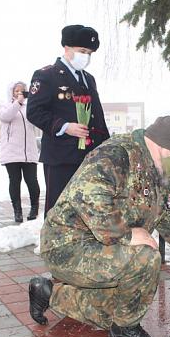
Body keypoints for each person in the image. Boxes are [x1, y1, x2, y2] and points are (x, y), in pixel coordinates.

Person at [28, 116, 170, 337]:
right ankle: (125, 332)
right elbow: (89, 198)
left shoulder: (160, 174)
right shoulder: (115, 154)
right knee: (146, 257)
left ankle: (47, 293)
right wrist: (127, 234)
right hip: (68, 246)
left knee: (114, 311)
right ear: (164, 147)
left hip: (106, 251)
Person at [27, 24, 110, 217]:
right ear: (67, 48)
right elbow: (34, 111)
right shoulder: (47, 75)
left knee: (86, 207)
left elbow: (97, 116)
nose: (86, 57)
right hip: (60, 156)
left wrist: (105, 147)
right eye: (82, 51)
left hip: (88, 156)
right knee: (59, 207)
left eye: (89, 53)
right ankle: (52, 246)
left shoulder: (89, 79)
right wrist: (65, 127)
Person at [0, 82, 41, 223]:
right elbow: (5, 117)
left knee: (32, 181)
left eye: (22, 91)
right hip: (11, 152)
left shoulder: (30, 107)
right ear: (12, 92)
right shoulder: (4, 106)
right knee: (15, 181)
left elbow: (37, 121)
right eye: (16, 90)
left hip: (29, 151)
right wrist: (18, 103)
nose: (19, 93)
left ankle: (34, 208)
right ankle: (17, 211)